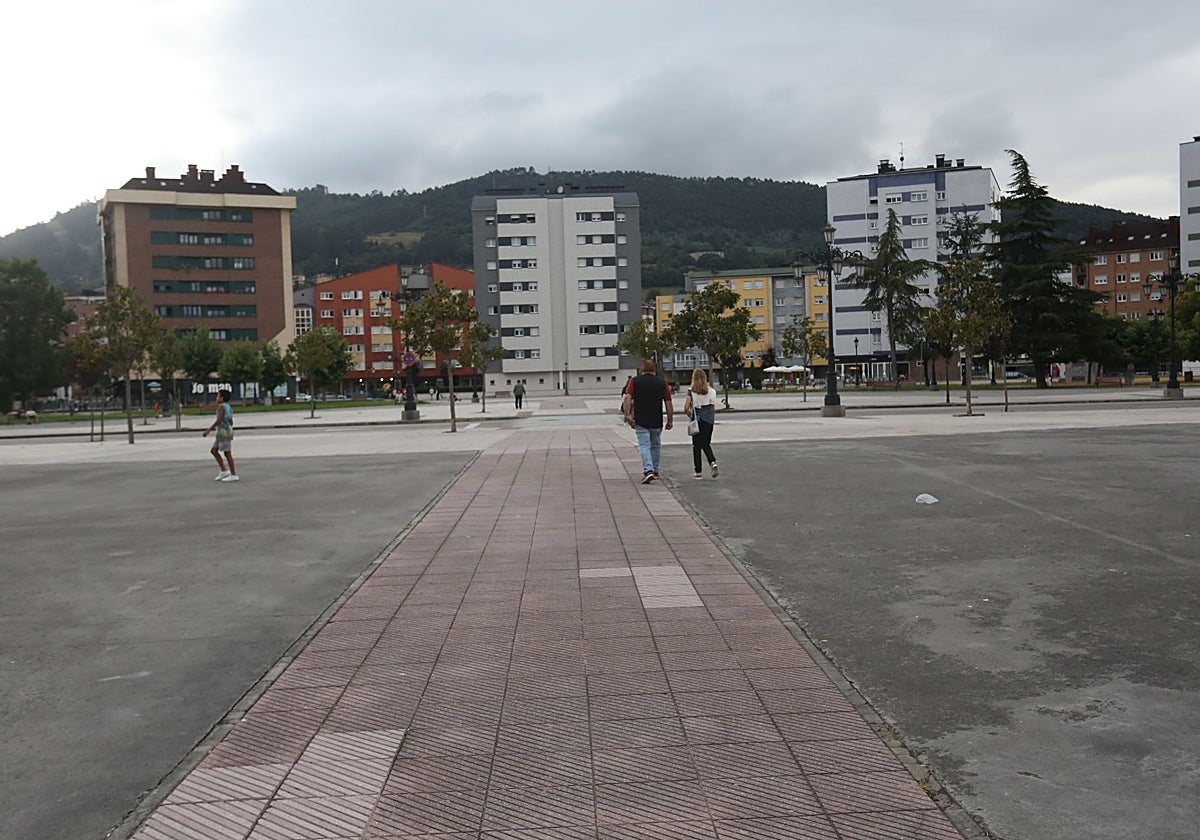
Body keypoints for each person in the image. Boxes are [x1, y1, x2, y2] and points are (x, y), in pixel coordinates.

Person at [622, 359, 673, 484]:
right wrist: (670, 420)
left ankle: (648, 470)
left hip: (640, 419)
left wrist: (627, 415)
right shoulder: (662, 383)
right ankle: (655, 470)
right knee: (655, 445)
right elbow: (668, 402)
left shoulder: (634, 381)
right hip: (656, 419)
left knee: (644, 445)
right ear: (654, 369)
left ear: (642, 369)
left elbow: (627, 397)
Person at [684, 369, 719, 479]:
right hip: (709, 420)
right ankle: (712, 461)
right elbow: (713, 407)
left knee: (696, 446)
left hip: (697, 419)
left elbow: (686, 407)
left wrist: (690, 415)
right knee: (706, 443)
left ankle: (698, 471)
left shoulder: (691, 391)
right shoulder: (712, 391)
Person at [203, 389, 238, 482]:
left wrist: (208, 430)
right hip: (223, 432)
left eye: (218, 396)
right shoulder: (228, 407)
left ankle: (233, 474)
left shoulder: (222, 407)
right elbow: (230, 420)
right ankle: (224, 470)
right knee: (214, 450)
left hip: (224, 432)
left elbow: (218, 420)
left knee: (227, 453)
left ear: (222, 398)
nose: (216, 398)